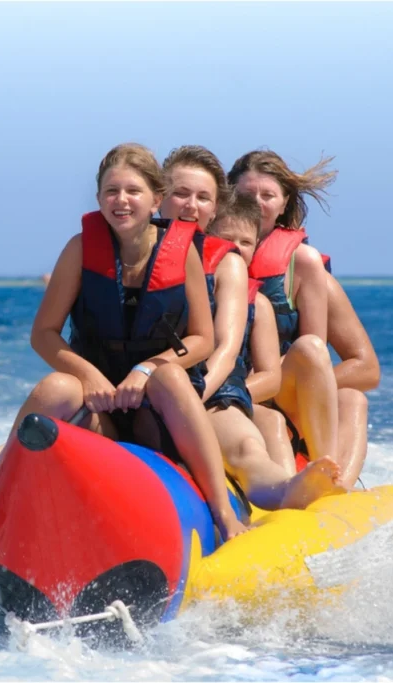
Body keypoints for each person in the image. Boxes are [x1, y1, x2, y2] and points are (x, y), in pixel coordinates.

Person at [0, 143, 248, 539]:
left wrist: (146, 369)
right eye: (111, 191)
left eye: (133, 191)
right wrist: (89, 376)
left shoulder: (182, 252)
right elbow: (43, 334)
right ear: (98, 198)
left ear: (156, 198)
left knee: (169, 377)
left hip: (157, 411)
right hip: (101, 414)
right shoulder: (80, 250)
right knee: (55, 387)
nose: (121, 200)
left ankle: (224, 513)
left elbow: (202, 339)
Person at [144, 145, 343, 509]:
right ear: (159, 197)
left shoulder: (236, 272)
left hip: (210, 392)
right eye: (180, 194)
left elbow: (227, 350)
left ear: (216, 205)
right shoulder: (128, 252)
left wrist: (193, 399)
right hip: (129, 392)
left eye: (202, 197)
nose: (191, 205)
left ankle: (295, 492)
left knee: (251, 443)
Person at [228, 150, 342, 479]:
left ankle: (325, 471)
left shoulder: (302, 261)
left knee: (310, 348)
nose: (258, 203)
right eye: (247, 195)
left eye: (268, 195)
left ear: (283, 202)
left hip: (278, 387)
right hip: (228, 381)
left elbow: (314, 353)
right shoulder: (205, 248)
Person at [255, 271, 380, 487]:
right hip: (257, 400)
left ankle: (337, 485)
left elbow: (367, 369)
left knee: (352, 399)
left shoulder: (312, 276)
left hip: (289, 398)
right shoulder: (220, 270)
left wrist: (307, 384)